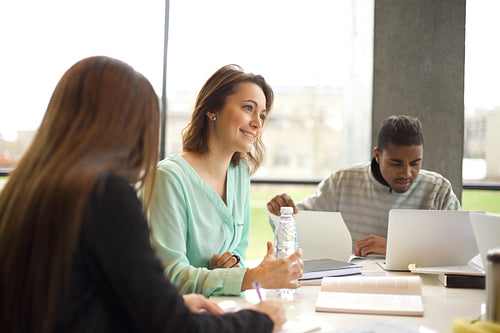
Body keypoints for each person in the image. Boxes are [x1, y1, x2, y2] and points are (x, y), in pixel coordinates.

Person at [0, 57, 286, 333]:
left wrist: (170, 304)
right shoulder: (104, 195)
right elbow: (171, 326)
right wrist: (259, 321)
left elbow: (77, 297)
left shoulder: (24, 189)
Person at [148, 64, 303, 297]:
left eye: (262, 115)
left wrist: (231, 265)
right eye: (248, 108)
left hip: (221, 307)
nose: (257, 123)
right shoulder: (169, 178)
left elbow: (238, 248)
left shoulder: (239, 172)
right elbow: (170, 274)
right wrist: (249, 277)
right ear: (212, 110)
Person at [267, 115, 461, 257]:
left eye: (415, 163)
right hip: (353, 284)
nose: (407, 173)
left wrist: (394, 247)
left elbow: (458, 248)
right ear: (378, 155)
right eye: (396, 163)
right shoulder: (341, 182)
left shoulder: (438, 190)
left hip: (421, 287)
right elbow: (298, 224)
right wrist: (280, 211)